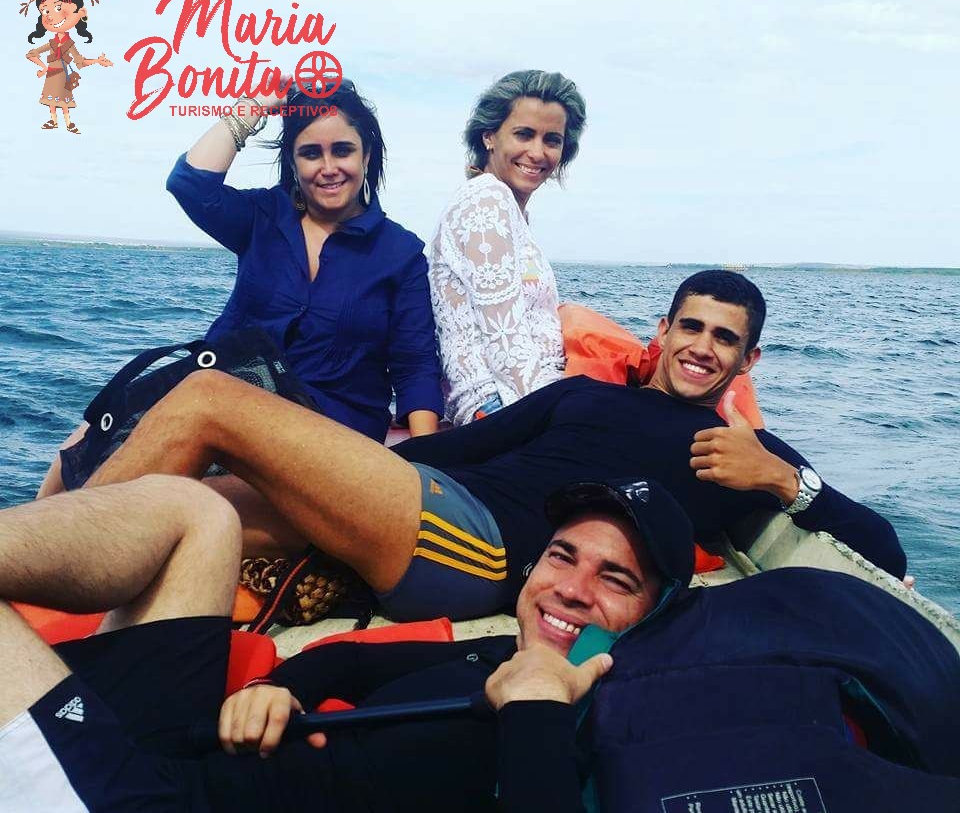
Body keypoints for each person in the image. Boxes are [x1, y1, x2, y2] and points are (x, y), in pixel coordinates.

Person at [0, 472, 689, 813]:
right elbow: (347, 663)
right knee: (199, 513)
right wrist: (276, 688)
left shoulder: (612, 745)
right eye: (563, 556)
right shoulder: (493, 655)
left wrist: (538, 712)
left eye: (615, 580)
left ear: (653, 622)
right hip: (175, 770)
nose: (571, 588)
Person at [83, 269, 906, 621]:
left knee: (208, 400)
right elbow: (458, 450)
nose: (702, 347)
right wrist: (332, 469)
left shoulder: (738, 452)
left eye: (725, 339)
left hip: (481, 549)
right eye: (691, 326)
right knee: (196, 501)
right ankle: (63, 581)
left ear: (747, 360)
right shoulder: (584, 394)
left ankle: (52, 543)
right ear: (662, 330)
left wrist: (786, 482)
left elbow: (883, 551)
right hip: (428, 502)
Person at [35, 78, 443, 497]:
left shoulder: (400, 253)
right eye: (310, 153)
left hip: (323, 434)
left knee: (153, 495)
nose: (328, 167)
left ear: (366, 154)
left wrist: (431, 471)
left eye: (342, 150)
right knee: (77, 450)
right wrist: (257, 105)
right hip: (216, 401)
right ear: (293, 161)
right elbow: (190, 184)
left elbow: (415, 366)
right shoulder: (264, 216)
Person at [428, 70, 587, 425]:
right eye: (524, 134)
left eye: (552, 140)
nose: (537, 152)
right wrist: (553, 420)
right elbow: (504, 341)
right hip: (501, 405)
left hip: (517, 398)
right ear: (489, 136)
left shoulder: (510, 210)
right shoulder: (487, 197)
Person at [22, 0, 114, 134]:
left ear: (81, 13)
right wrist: (44, 67)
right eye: (45, 11)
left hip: (62, 78)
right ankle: (54, 121)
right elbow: (31, 53)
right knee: (52, 102)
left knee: (64, 103)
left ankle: (68, 123)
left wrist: (97, 61)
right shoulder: (51, 43)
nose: (51, 16)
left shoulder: (69, 44)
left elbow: (80, 61)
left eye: (58, 8)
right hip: (52, 76)